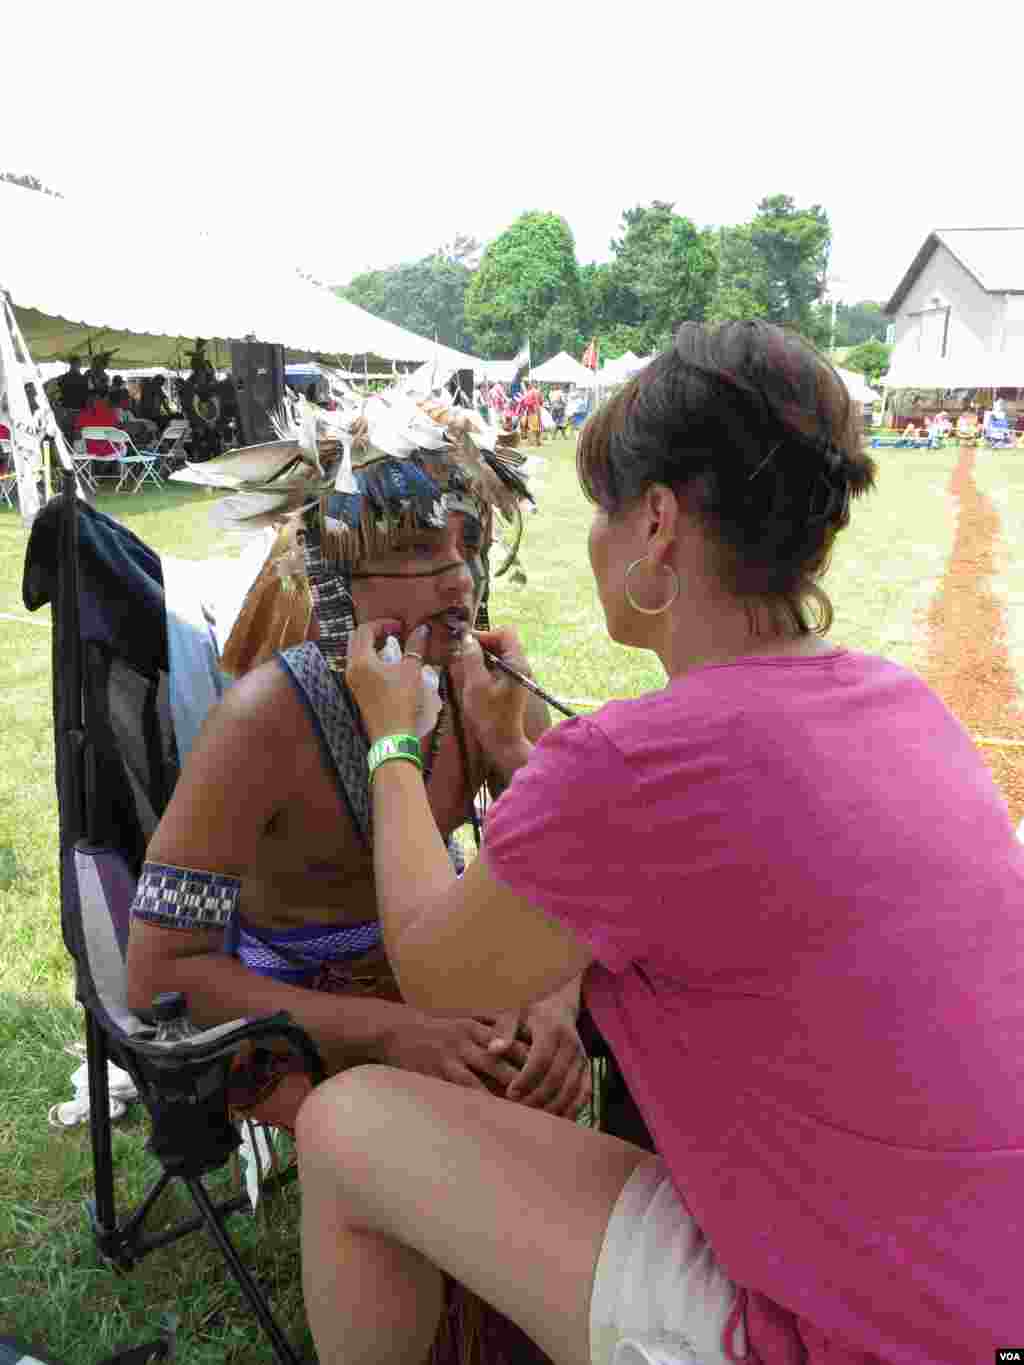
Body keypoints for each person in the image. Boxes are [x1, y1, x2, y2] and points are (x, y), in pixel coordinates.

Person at [294, 321, 1023, 1365]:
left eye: (601, 508)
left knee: (345, 1124)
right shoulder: (898, 702)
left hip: (851, 1334)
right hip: (979, 1290)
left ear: (657, 523)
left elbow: (429, 964)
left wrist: (391, 738)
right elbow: (700, 868)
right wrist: (529, 755)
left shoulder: (638, 764)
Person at [74, 385, 123, 457]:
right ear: (106, 398)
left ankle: (82, 467)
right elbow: (119, 433)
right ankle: (118, 467)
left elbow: (76, 435)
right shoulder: (112, 413)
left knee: (77, 440)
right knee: (123, 446)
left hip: (89, 452)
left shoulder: (82, 414)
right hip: (112, 452)